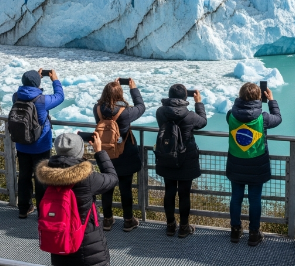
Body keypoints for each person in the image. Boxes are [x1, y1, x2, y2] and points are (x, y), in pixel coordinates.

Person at [36, 133, 118, 266]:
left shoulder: (45, 177)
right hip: (89, 248)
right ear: (80, 151)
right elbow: (112, 178)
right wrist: (100, 152)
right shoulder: (87, 178)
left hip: (59, 245)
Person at [226, 82, 282, 247]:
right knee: (255, 199)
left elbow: (236, 113)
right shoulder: (262, 117)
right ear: (259, 97)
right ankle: (253, 233)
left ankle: (235, 231)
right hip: (257, 164)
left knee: (236, 198)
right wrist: (272, 101)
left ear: (239, 96)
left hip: (236, 162)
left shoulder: (230, 115)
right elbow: (278, 119)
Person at [92, 79, 146, 232]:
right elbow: (141, 107)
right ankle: (128, 220)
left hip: (105, 154)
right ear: (120, 94)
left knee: (107, 187)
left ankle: (107, 220)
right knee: (125, 188)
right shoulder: (125, 112)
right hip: (125, 155)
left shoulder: (97, 110)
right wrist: (133, 88)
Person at [155, 84, 207, 238]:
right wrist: (198, 103)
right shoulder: (190, 115)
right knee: (184, 194)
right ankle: (184, 227)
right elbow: (203, 122)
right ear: (185, 97)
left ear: (170, 96)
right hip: (186, 159)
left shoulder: (160, 112)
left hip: (167, 155)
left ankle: (170, 226)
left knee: (169, 191)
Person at [13, 68, 64, 219]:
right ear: (37, 83)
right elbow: (60, 96)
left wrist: (35, 77)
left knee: (24, 176)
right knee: (41, 178)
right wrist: (55, 79)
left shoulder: (16, 96)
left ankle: (24, 208)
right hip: (41, 145)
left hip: (22, 144)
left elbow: (27, 91)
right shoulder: (42, 100)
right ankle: (42, 211)